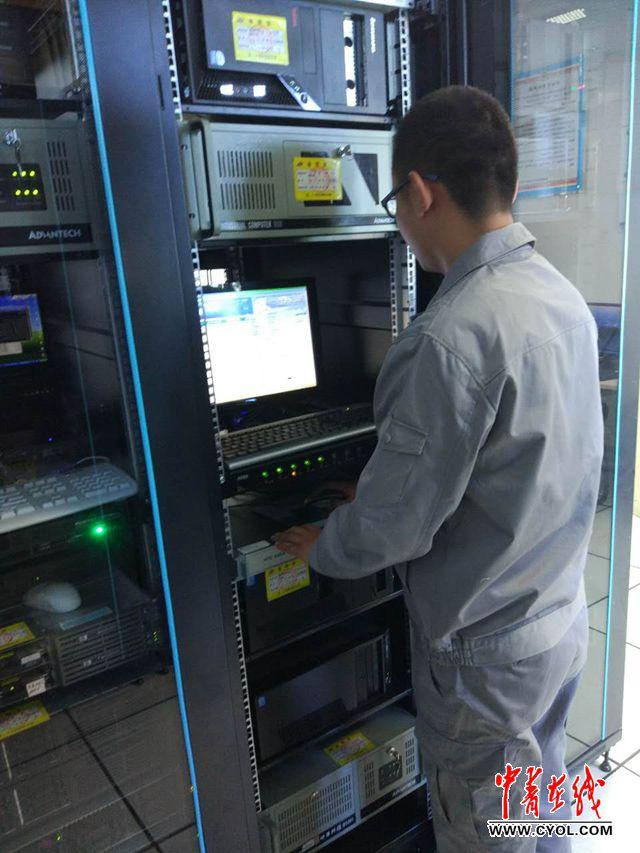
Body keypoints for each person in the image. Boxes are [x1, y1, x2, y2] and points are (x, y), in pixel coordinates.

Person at [272, 85, 603, 852]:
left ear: (421, 193)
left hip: (487, 666)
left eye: (395, 200)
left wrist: (325, 543)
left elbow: (393, 528)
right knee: (540, 801)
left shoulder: (449, 337)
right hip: (557, 621)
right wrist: (378, 491)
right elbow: (516, 466)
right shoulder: (562, 298)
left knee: (490, 832)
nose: (399, 217)